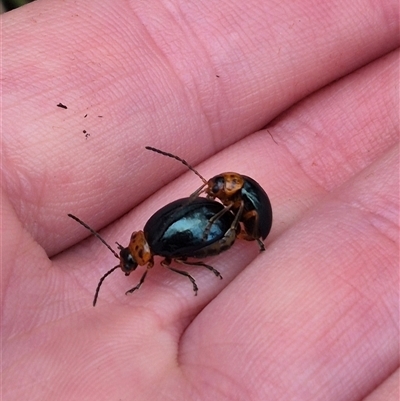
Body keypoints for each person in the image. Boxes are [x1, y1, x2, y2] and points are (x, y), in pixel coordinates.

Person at [2, 1, 398, 400]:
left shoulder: (167, 239)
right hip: (222, 228)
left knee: (186, 255)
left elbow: (191, 228)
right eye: (129, 256)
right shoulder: (158, 236)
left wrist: (204, 248)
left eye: (131, 258)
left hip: (228, 227)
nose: (132, 257)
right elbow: (189, 228)